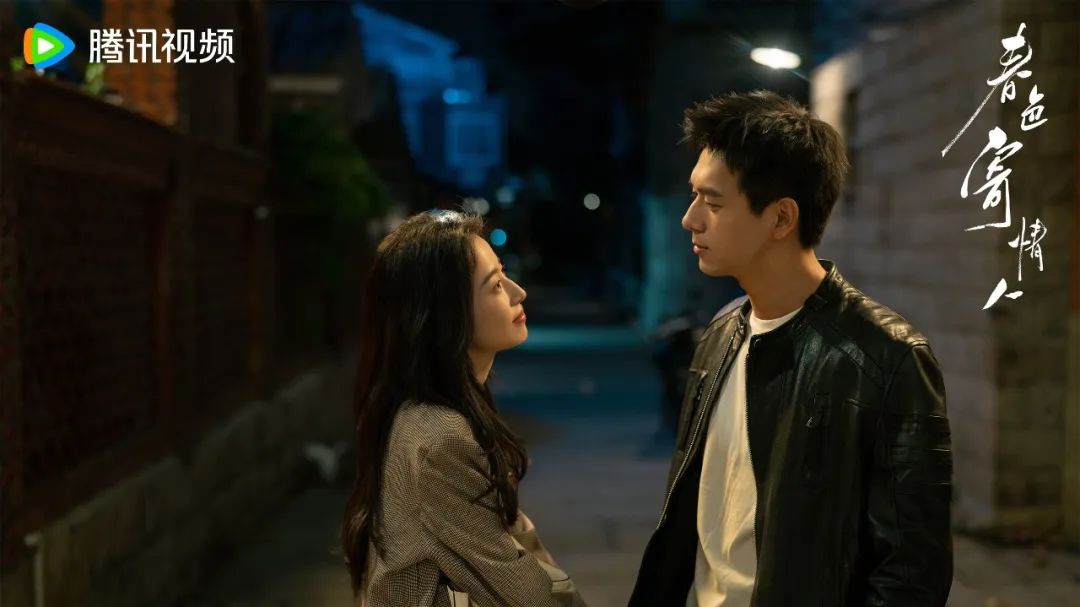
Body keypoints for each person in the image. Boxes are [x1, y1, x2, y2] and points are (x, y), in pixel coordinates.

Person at [629, 90, 953, 606]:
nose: (690, 218)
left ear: (781, 219)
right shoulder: (720, 334)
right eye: (694, 196)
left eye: (713, 202)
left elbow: (912, 574)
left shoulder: (887, 357)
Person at [341, 210, 586, 607]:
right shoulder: (441, 439)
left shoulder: (437, 409)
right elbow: (517, 589)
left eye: (504, 274)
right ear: (447, 312)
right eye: (495, 286)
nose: (518, 292)